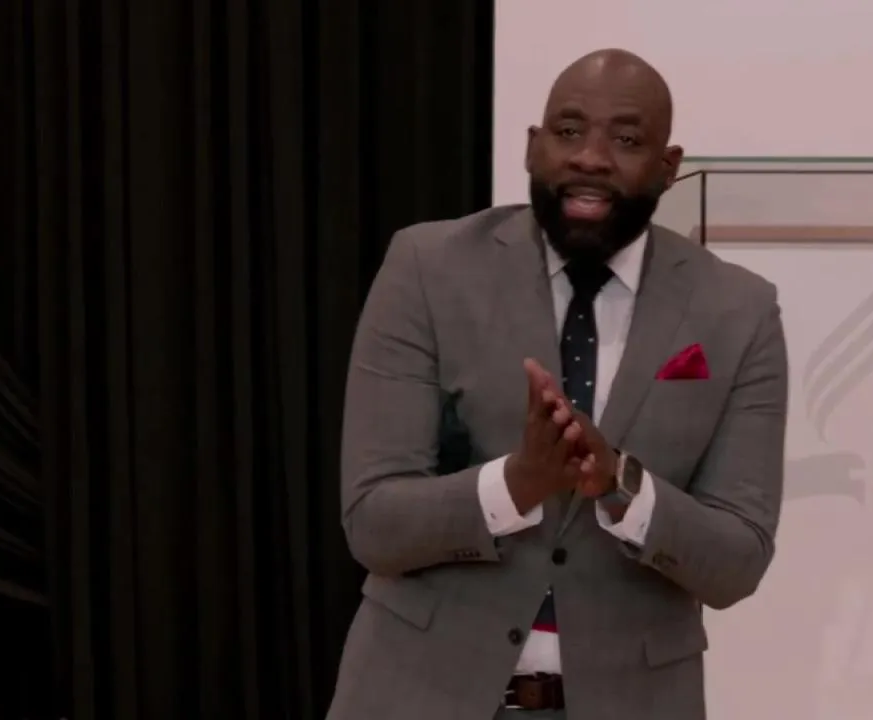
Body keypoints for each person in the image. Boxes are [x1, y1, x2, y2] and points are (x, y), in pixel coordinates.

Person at [327, 48, 788, 720]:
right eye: (569, 131)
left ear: (668, 167)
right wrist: (517, 484)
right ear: (531, 147)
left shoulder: (739, 312)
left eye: (626, 140)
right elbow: (374, 523)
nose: (591, 158)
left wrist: (620, 484)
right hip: (417, 696)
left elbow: (738, 561)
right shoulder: (427, 269)